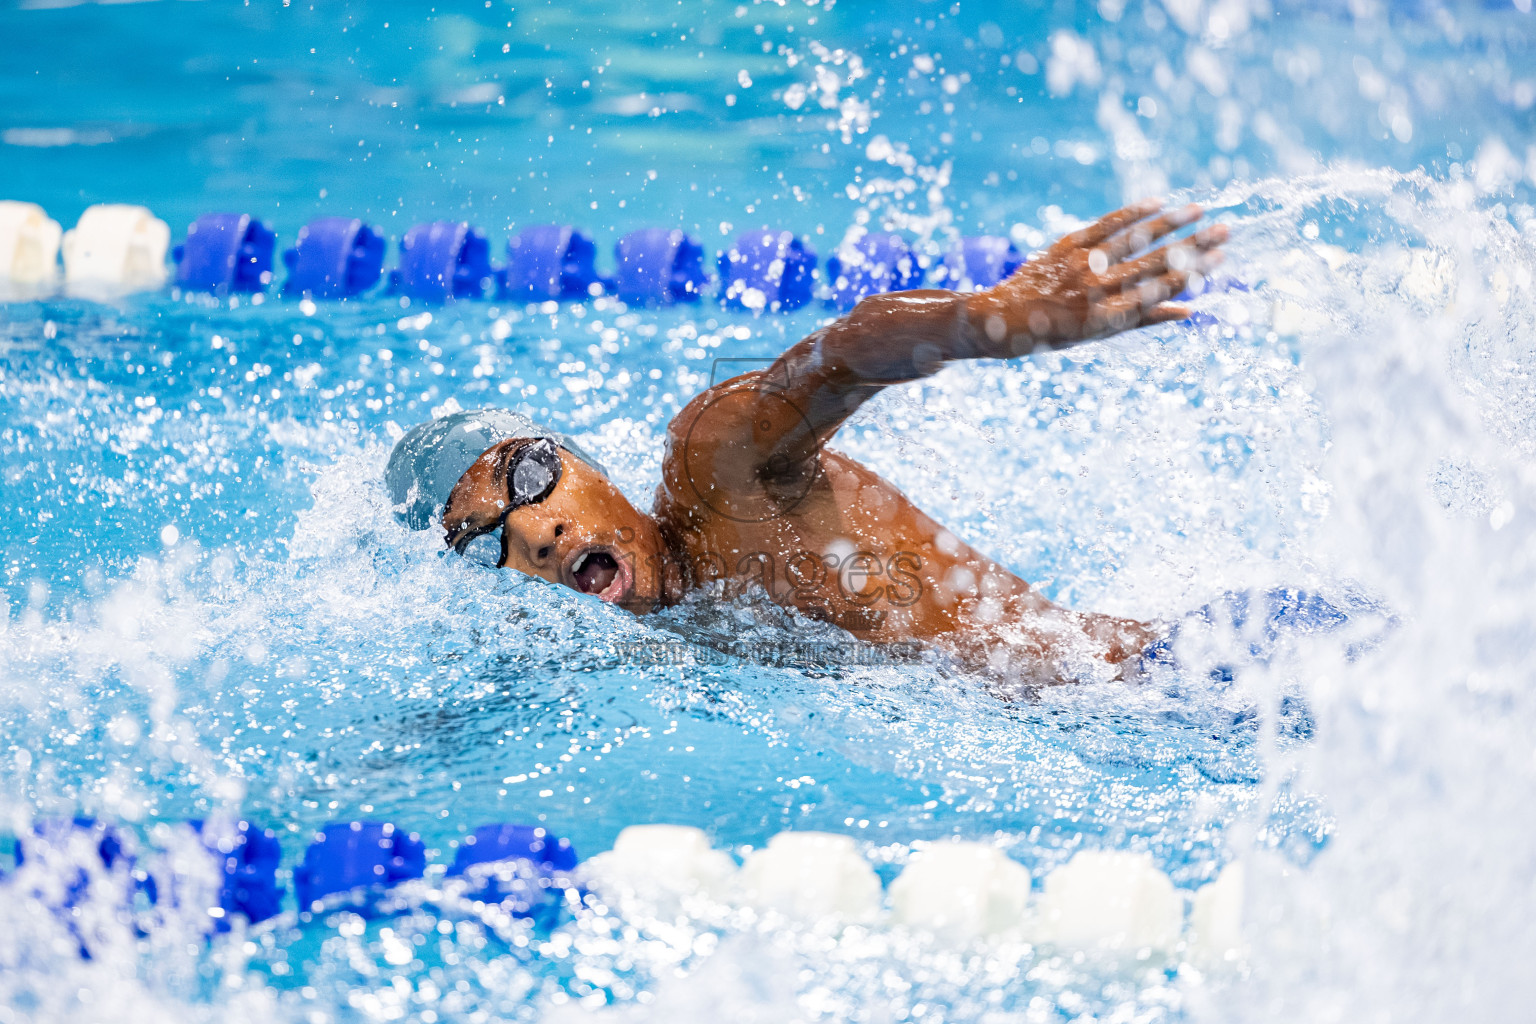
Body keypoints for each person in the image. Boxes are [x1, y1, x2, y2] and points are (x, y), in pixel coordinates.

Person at [403, 200, 1228, 688]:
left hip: (1183, 675)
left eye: (531, 477)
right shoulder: (655, 639)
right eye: (486, 544)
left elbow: (850, 350)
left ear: (582, 464)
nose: (535, 533)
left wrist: (999, 319)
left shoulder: (716, 465)